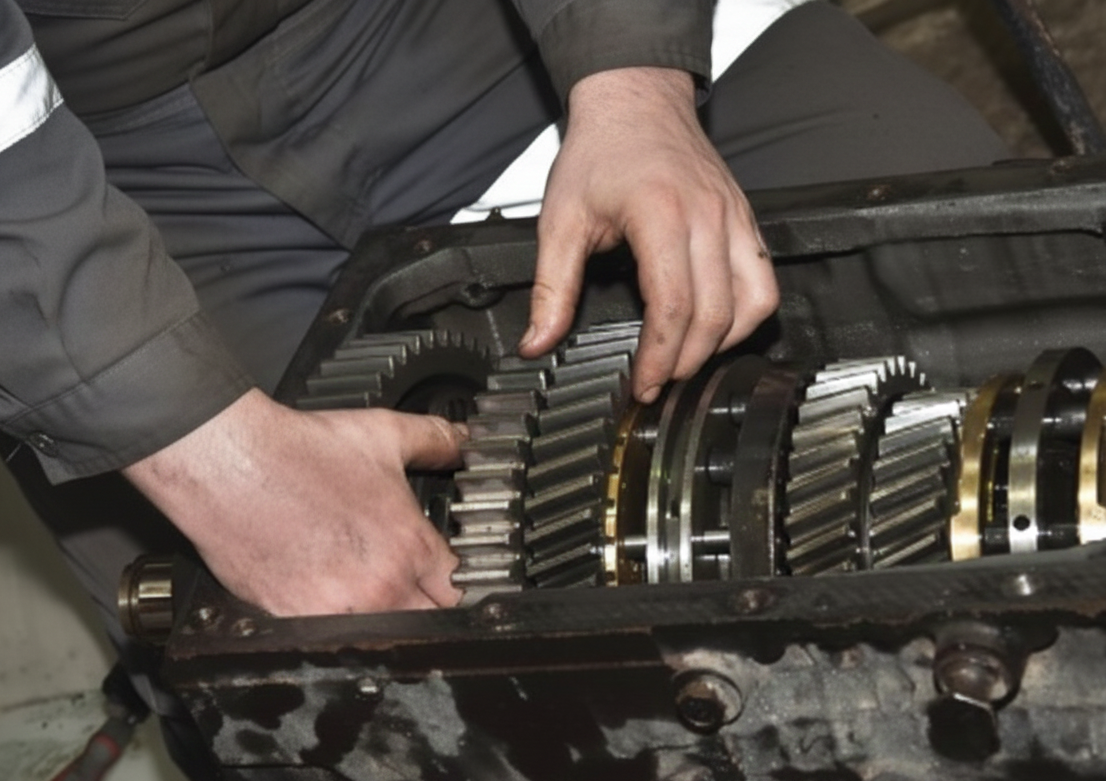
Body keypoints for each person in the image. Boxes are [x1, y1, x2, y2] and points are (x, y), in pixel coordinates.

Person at [1, 0, 1006, 774]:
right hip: (86, 170)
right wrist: (199, 449)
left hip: (489, 32)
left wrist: (633, 82)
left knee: (968, 281)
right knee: (296, 680)